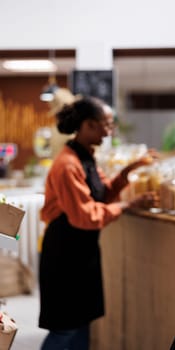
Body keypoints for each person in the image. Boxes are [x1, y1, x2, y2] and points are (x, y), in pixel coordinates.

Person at [38, 95, 159, 350]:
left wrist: (129, 170)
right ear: (88, 125)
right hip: (64, 254)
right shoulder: (67, 165)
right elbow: (86, 216)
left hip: (83, 253)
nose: (110, 130)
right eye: (106, 124)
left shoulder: (86, 156)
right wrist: (128, 205)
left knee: (83, 323)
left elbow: (102, 194)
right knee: (65, 329)